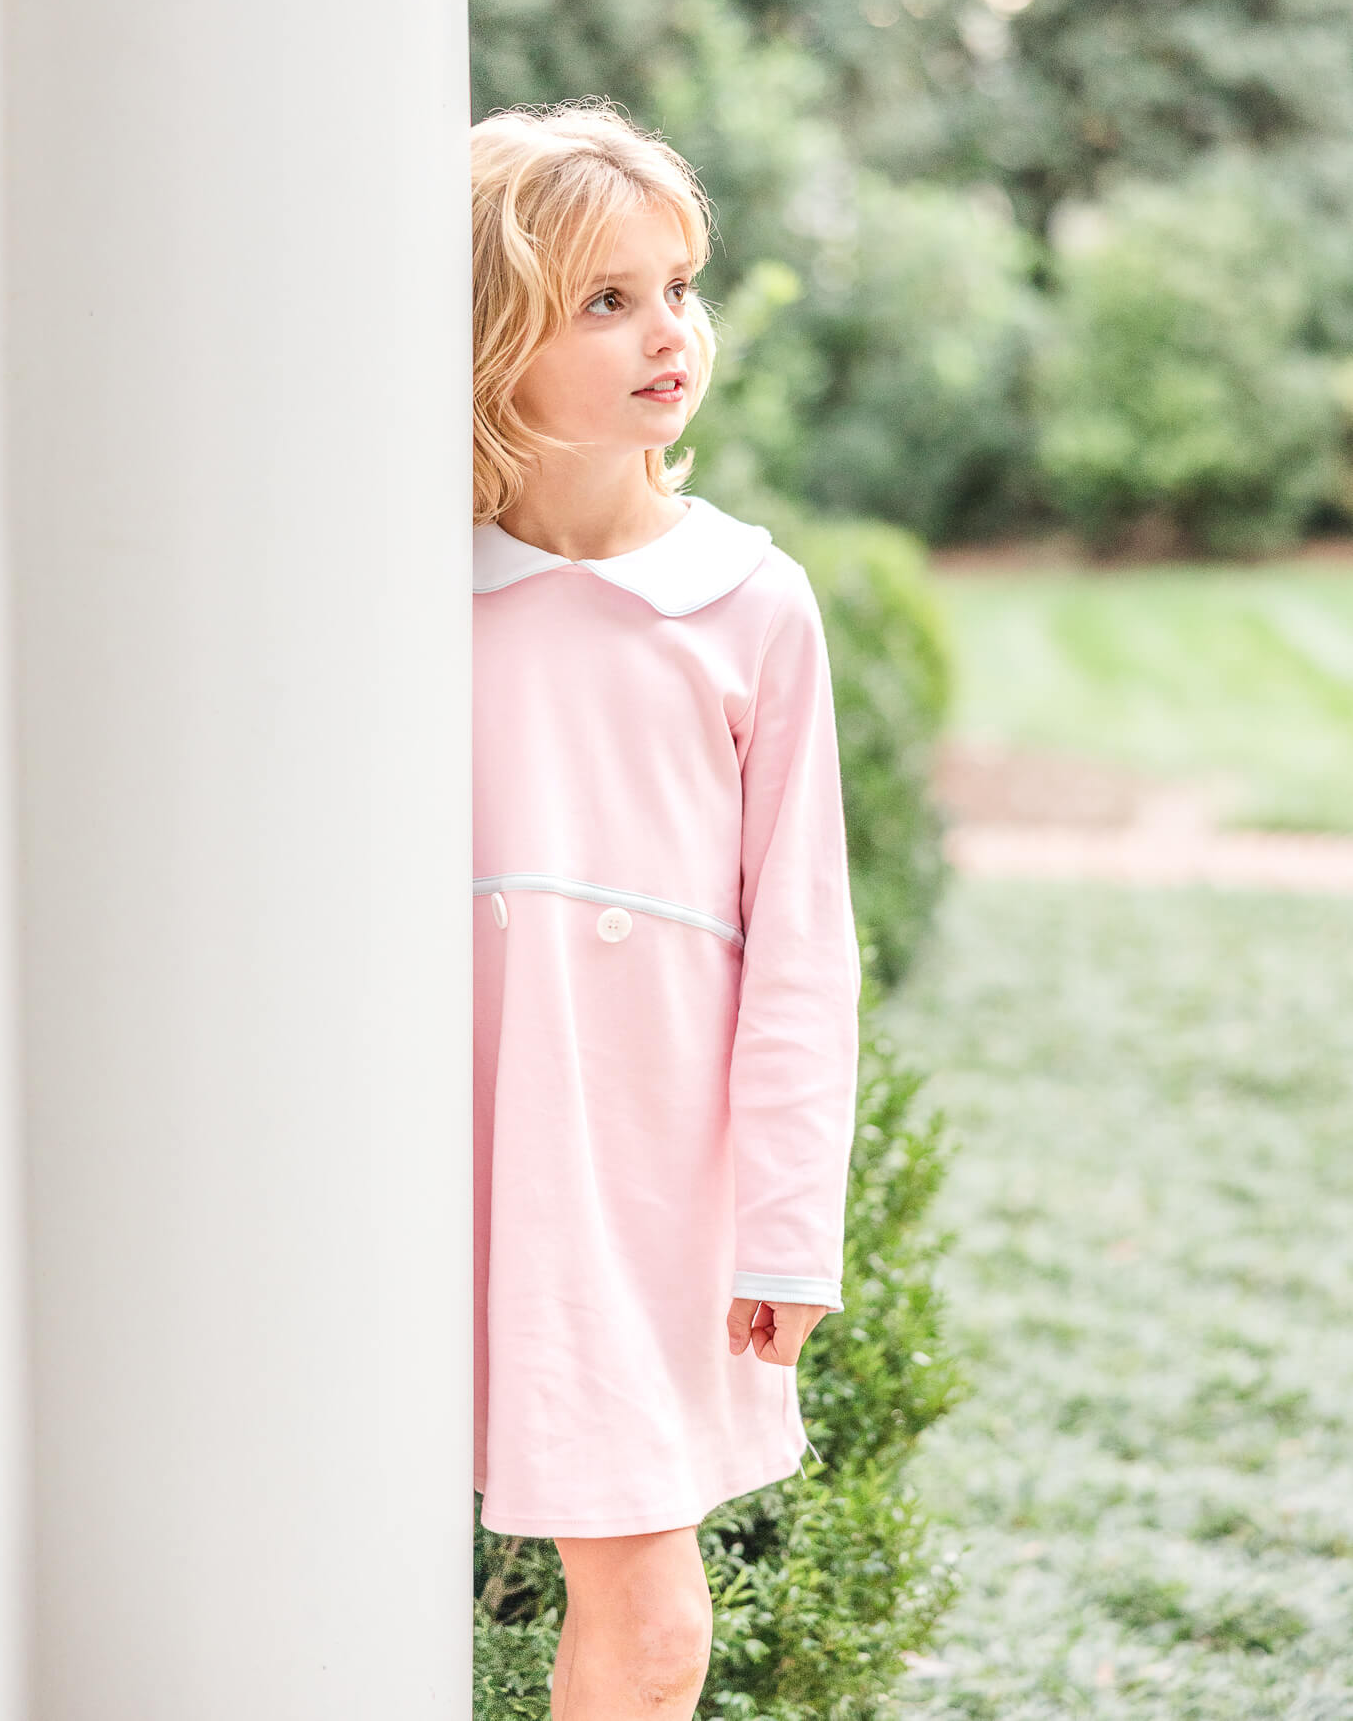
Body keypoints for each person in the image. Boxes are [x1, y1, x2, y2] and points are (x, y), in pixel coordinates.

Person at [472, 99, 862, 1719]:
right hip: (429, 1150)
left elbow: (804, 954)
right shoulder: (400, 596)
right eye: (604, 300)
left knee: (645, 1613)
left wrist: (785, 1223)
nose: (666, 333)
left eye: (679, 289)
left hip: (633, 1178)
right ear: (491, 339)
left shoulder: (748, 605)